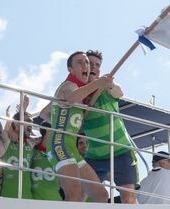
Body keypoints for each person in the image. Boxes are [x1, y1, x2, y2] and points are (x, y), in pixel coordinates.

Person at [39, 51, 111, 202]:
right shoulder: (68, 85)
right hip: (59, 145)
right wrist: (97, 83)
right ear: (70, 70)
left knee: (102, 195)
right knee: (74, 193)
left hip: (71, 149)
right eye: (80, 62)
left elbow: (44, 113)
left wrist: (60, 120)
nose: (85, 65)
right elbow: (71, 98)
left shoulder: (80, 91)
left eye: (87, 62)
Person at [83, 50, 138, 204]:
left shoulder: (107, 88)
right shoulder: (79, 92)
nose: (93, 67)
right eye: (89, 64)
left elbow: (119, 93)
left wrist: (109, 83)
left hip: (120, 149)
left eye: (97, 65)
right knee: (83, 196)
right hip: (95, 154)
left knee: (128, 198)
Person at [0, 75, 39, 199]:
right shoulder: (4, 140)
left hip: (28, 201)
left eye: (31, 123)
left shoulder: (30, 143)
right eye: (27, 122)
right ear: (16, 124)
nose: (30, 125)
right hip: (5, 201)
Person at [31, 121, 62, 200]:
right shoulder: (32, 149)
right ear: (48, 131)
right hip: (36, 199)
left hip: (55, 199)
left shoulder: (58, 152)